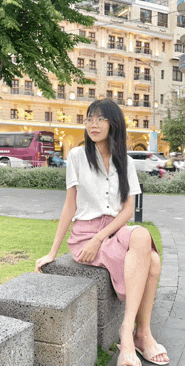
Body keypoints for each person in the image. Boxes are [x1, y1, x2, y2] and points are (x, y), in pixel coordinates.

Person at [35, 99, 169, 366]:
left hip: (113, 229)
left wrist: (102, 237)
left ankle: (129, 333)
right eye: (88, 119)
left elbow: (128, 209)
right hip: (86, 233)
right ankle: (140, 334)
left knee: (141, 235)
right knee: (152, 260)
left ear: (113, 123)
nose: (92, 124)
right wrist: (52, 252)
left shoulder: (125, 161)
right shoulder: (76, 156)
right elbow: (69, 206)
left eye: (100, 119)